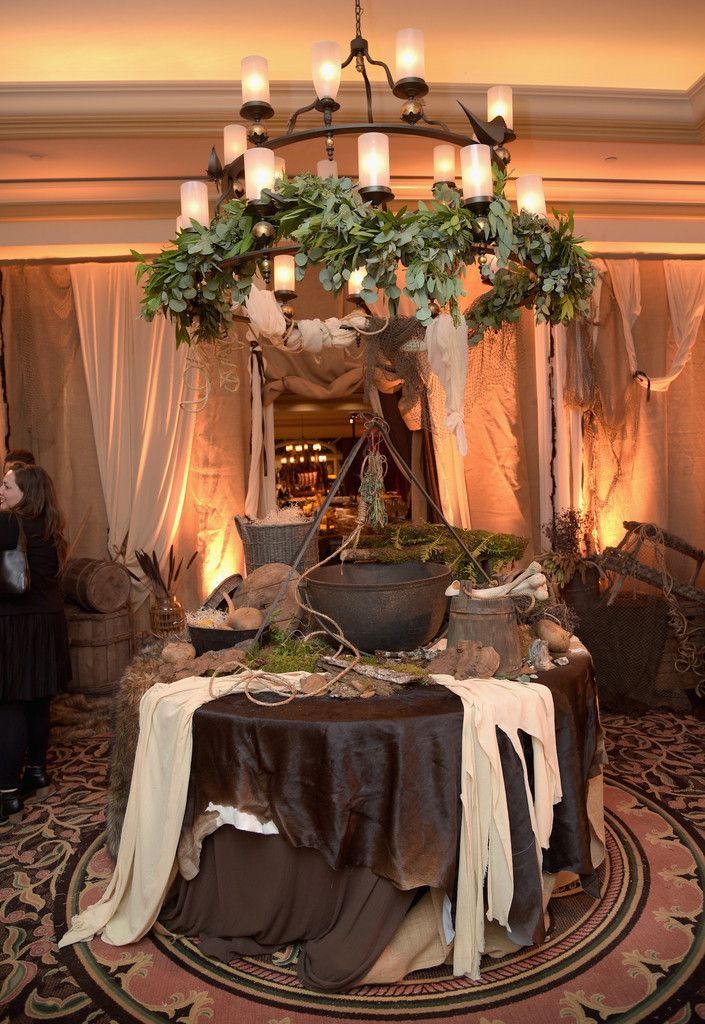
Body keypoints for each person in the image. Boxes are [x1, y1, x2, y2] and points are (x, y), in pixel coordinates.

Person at [0, 463, 71, 826]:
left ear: (26, 492)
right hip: (48, 622)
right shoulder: (51, 526)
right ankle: (38, 773)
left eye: (8, 486)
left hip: (16, 625)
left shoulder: (8, 523)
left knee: (10, 704)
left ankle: (9, 794)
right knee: (38, 700)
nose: (1, 490)